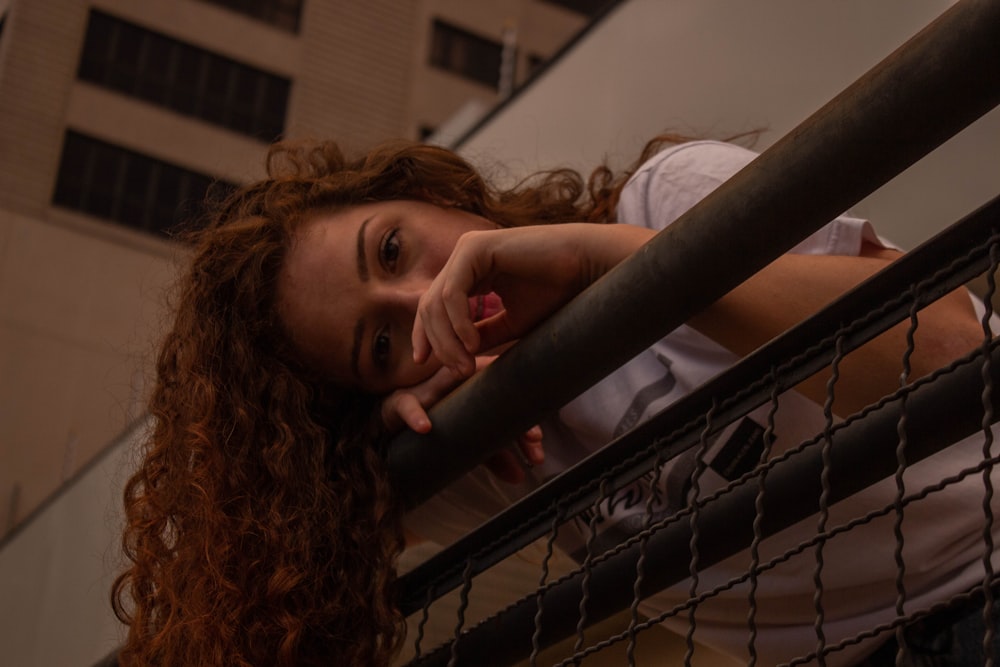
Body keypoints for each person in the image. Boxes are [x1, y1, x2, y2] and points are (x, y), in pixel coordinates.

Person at [112, 134, 988, 667]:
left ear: (430, 193)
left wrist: (598, 263)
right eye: (381, 344)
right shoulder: (474, 446)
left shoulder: (667, 199)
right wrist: (383, 451)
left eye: (391, 249)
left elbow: (945, 340)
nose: (422, 298)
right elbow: (283, 576)